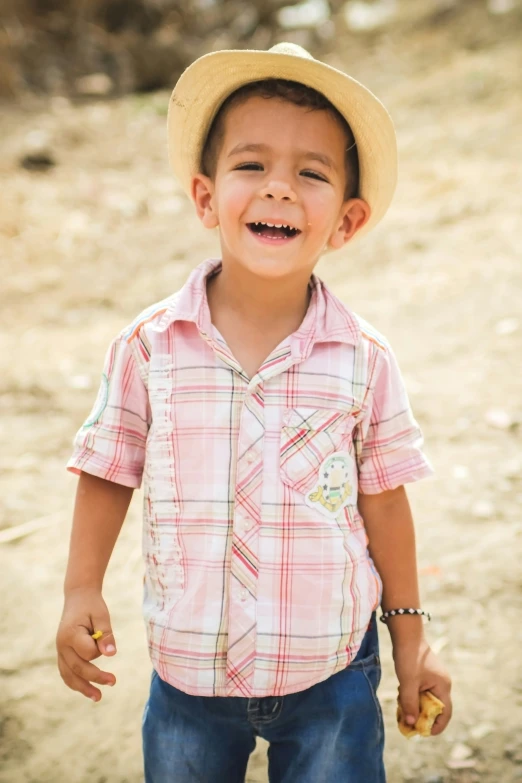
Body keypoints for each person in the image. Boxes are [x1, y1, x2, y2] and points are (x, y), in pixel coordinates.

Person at [56, 42, 452, 782]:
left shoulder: (363, 359)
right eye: (251, 165)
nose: (278, 189)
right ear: (206, 197)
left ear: (348, 219)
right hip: (188, 675)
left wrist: (411, 640)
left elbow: (384, 501)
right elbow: (109, 468)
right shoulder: (149, 347)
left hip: (330, 668)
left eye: (311, 173)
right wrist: (82, 586)